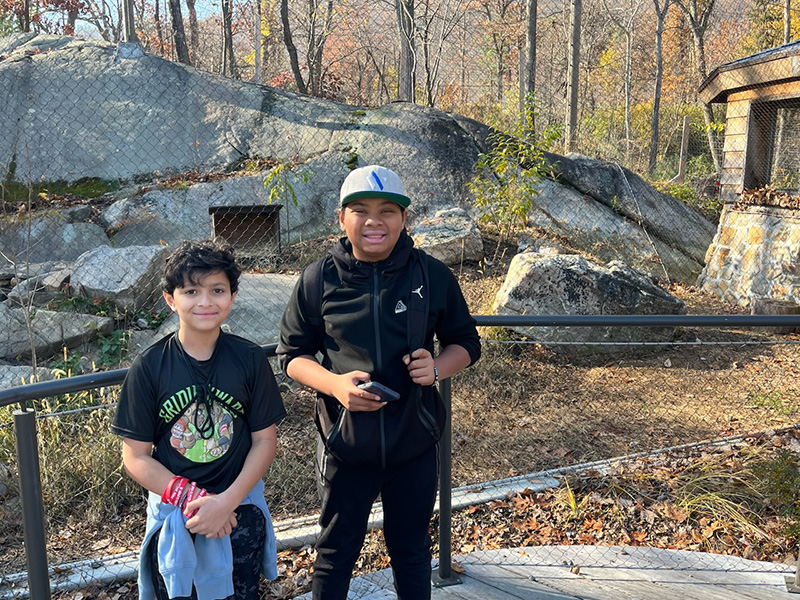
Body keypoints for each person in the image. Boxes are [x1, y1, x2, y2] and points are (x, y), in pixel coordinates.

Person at [277, 165, 481, 599]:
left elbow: (465, 342)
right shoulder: (318, 280)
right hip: (344, 445)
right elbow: (292, 356)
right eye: (361, 210)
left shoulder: (431, 275)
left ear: (404, 219)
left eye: (388, 210)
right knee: (335, 552)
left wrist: (438, 368)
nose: (375, 221)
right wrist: (334, 386)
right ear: (341, 219)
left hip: (414, 442)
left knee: (410, 551)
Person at [111, 239, 286, 600]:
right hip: (177, 513)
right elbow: (136, 456)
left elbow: (264, 441)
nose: (205, 302)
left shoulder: (250, 359)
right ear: (170, 299)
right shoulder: (149, 368)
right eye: (191, 291)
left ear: (232, 297)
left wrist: (225, 503)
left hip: (240, 510)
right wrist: (192, 499)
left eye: (217, 290)